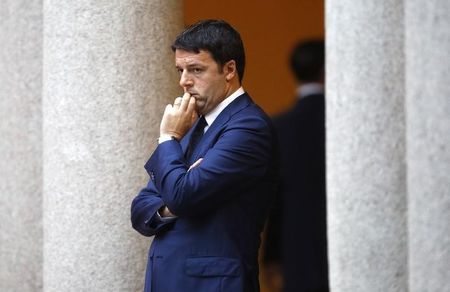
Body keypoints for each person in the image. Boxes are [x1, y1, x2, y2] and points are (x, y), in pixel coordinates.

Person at [131, 19, 278, 292]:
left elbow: (182, 194)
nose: (184, 81)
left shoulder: (248, 127)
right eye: (181, 70)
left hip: (212, 284)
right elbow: (140, 210)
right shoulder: (191, 123)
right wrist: (174, 203)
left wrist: (168, 138)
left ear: (229, 69)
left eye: (196, 69)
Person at [263, 39, 328, 292]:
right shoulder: (346, 123)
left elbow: (273, 198)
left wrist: (270, 257)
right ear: (326, 69)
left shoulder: (279, 127)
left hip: (296, 249)